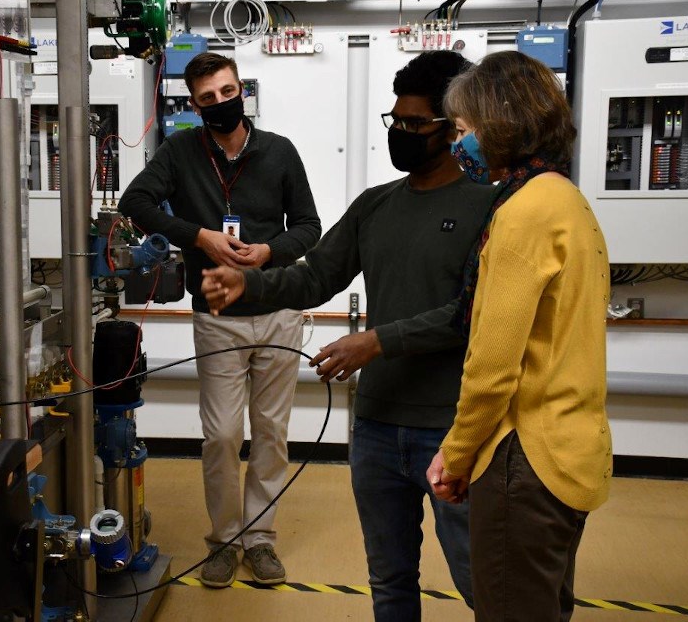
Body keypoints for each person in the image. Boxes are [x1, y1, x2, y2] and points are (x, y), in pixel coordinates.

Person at [201, 51, 495, 620]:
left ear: (452, 126)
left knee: (479, 579)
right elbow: (316, 275)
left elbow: (472, 313)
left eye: (415, 125)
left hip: (456, 428)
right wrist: (249, 285)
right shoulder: (377, 205)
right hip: (379, 429)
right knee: (388, 582)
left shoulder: (492, 206)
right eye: (395, 122)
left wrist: (376, 341)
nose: (401, 134)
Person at [118, 52, 321, 588]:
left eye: (228, 93)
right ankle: (225, 541)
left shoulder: (279, 152)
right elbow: (135, 200)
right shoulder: (180, 151)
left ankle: (260, 540)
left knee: (272, 434)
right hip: (218, 315)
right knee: (223, 436)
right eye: (207, 98)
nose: (220, 104)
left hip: (277, 310)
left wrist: (269, 252)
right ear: (193, 103)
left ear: (241, 92)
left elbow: (309, 226)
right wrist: (199, 235)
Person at [426, 50, 612, 622]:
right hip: (571, 449)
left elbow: (494, 364)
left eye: (462, 131)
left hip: (524, 459)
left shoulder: (525, 211)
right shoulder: (568, 200)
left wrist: (455, 456)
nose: (458, 146)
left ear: (498, 125)